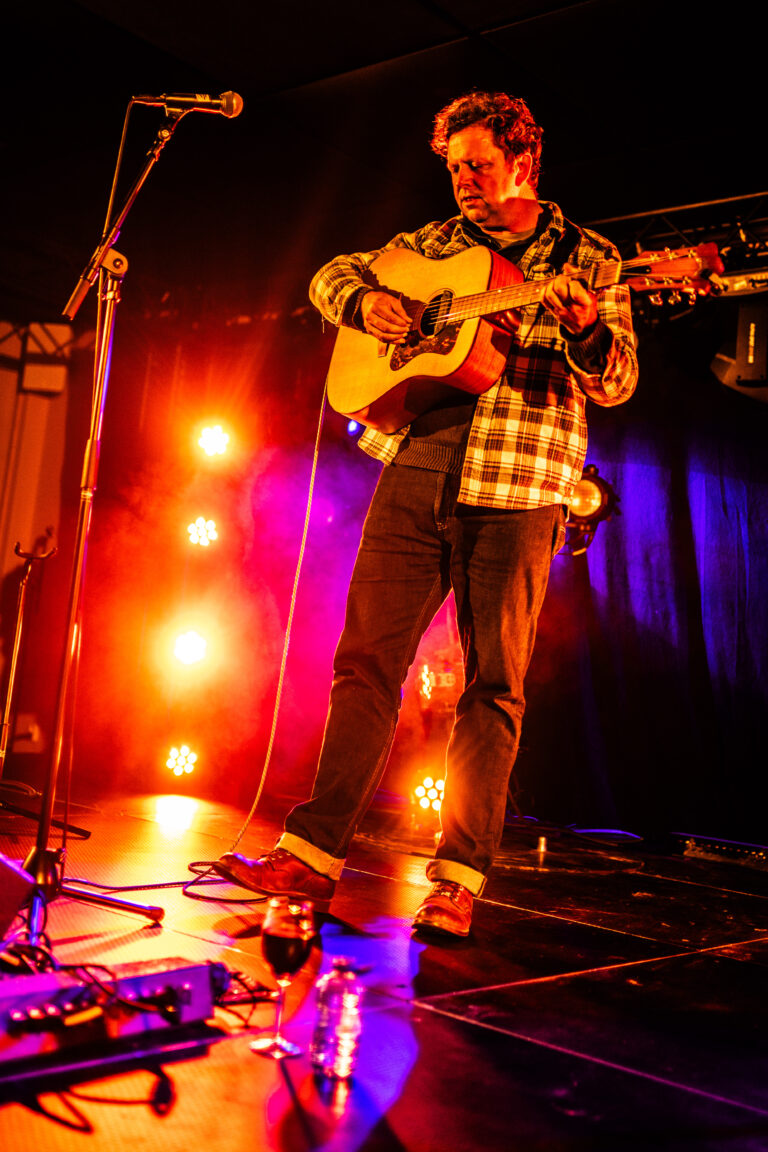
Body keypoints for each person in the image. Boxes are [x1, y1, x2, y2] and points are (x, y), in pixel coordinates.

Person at [213, 91, 638, 936]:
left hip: (520, 481)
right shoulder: (427, 247)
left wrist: (588, 331)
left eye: (479, 166)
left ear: (525, 161)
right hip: (417, 460)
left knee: (492, 687)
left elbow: (619, 379)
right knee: (365, 660)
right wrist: (361, 303)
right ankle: (313, 855)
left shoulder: (590, 257)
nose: (465, 184)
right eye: (453, 168)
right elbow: (330, 272)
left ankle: (458, 877)